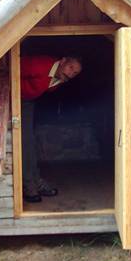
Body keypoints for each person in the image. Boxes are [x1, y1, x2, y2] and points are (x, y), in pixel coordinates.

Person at [21, 55, 82, 203]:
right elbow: (10, 73)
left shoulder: (59, 79)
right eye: (71, 67)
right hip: (14, 100)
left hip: (28, 102)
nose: (71, 73)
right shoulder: (38, 64)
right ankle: (29, 185)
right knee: (26, 142)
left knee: (30, 142)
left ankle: (35, 181)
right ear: (62, 61)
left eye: (75, 73)